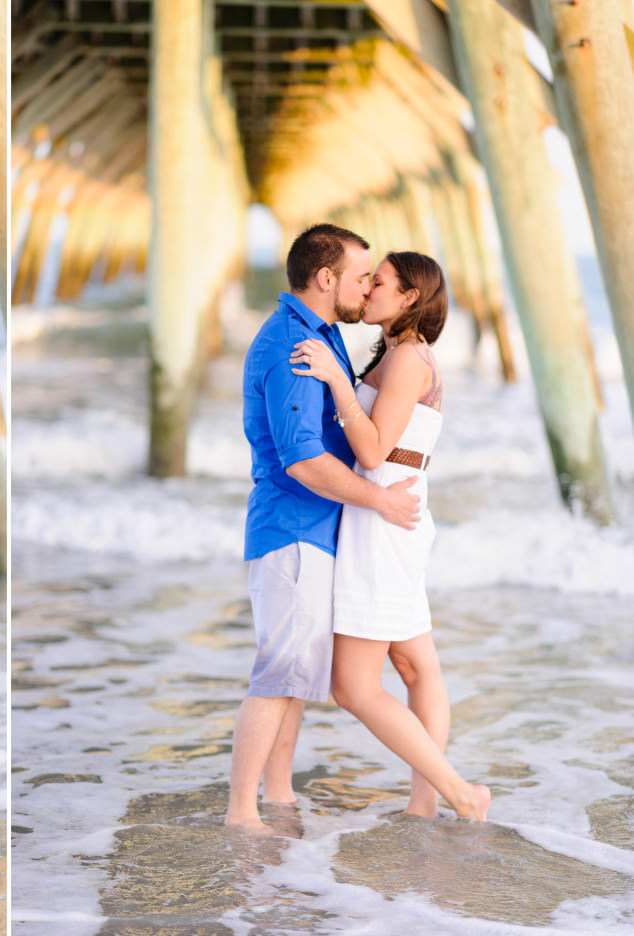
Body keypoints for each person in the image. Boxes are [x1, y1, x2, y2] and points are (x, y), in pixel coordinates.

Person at [225, 223, 422, 834]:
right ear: (325, 277)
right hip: (292, 531)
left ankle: (278, 794)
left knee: (295, 676)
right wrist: (379, 502)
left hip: (314, 533)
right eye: (362, 277)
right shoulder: (291, 343)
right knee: (277, 674)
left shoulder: (325, 336)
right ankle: (241, 814)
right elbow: (303, 459)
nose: (367, 290)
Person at [289, 251, 489, 821]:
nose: (368, 288)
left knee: (354, 687)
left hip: (386, 519)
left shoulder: (406, 359)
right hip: (391, 513)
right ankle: (425, 806)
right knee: (415, 667)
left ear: (409, 298)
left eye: (379, 282)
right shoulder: (397, 354)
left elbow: (374, 450)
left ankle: (457, 794)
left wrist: (334, 376)